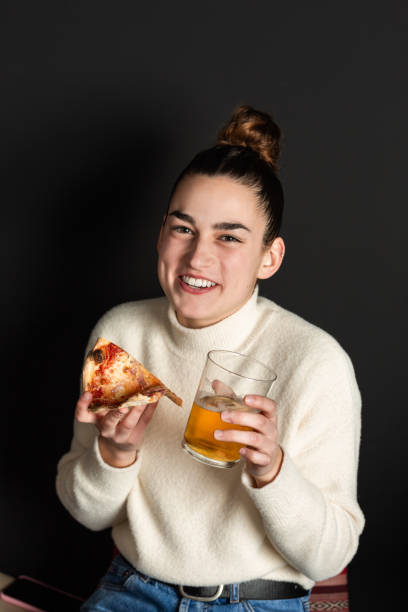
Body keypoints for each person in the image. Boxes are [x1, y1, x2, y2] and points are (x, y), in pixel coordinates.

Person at [56, 105, 365, 611]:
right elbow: (86, 513)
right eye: (183, 229)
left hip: (259, 602)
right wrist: (113, 454)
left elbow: (329, 557)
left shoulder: (313, 360)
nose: (198, 257)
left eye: (228, 236)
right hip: (132, 591)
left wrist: (272, 469)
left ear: (271, 256)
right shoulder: (123, 334)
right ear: (161, 235)